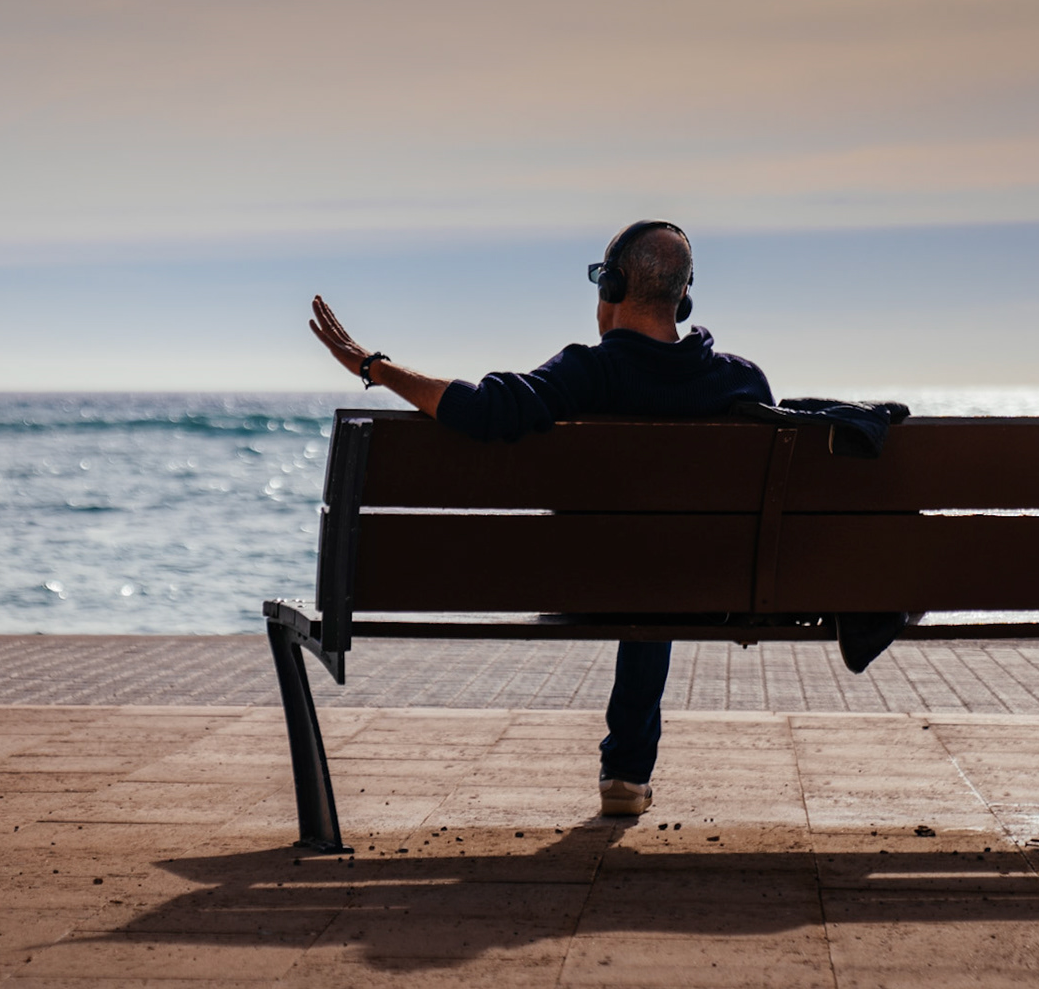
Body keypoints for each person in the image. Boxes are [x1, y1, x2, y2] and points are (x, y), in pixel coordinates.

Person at [308, 220, 774, 817]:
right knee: (661, 567)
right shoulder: (740, 379)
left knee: (640, 569)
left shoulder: (588, 372)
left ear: (612, 285)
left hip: (593, 585)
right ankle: (628, 770)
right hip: (709, 587)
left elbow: (484, 410)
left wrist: (374, 366)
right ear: (684, 296)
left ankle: (628, 769)